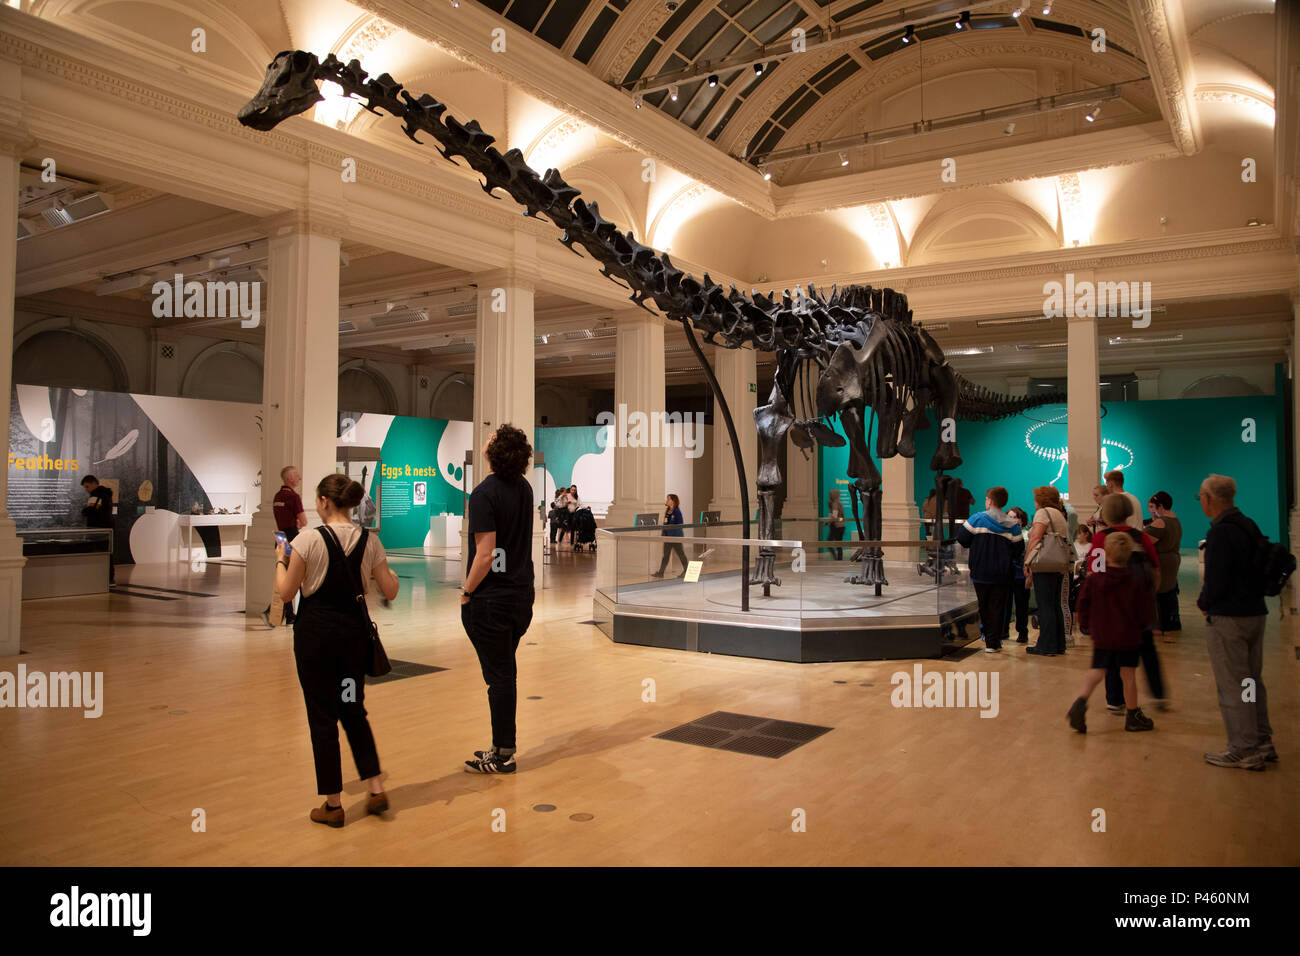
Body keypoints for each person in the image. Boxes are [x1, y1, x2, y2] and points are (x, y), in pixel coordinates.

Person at [274, 474, 400, 828]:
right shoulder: (369, 540)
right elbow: (389, 590)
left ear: (325, 502)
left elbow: (286, 593)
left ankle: (333, 804)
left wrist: (280, 561)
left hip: (316, 637)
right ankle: (375, 789)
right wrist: (392, 578)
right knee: (353, 710)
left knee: (322, 717)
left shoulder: (307, 539)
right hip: (353, 637)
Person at [461, 424, 537, 774]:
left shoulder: (483, 494)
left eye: (490, 439)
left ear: (495, 452)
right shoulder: (524, 489)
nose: (485, 440)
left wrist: (466, 591)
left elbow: (486, 554)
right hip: (521, 597)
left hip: (492, 600)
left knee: (500, 677)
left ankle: (504, 752)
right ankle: (500, 745)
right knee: (505, 672)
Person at [1197, 474, 1275, 771]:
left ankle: (1243, 748)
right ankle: (1261, 740)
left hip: (1229, 617)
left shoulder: (1219, 532)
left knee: (1234, 684)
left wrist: (1205, 604)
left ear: (1210, 499)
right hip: (1255, 612)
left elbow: (1217, 577)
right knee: (1252, 681)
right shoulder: (1248, 524)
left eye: (1201, 497)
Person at [1067, 533, 1156, 734]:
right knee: (1128, 675)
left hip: (1103, 635)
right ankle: (1133, 715)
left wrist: (1086, 624)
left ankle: (1080, 703)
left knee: (1098, 670)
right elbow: (1143, 611)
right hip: (1128, 637)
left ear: (1105, 554)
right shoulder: (1136, 582)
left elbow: (1083, 604)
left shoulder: (1095, 580)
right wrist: (1141, 627)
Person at [1089, 494, 1167, 713]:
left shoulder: (1100, 539)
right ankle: (1158, 692)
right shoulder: (1141, 538)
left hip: (1111, 607)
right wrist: (1150, 595)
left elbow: (1094, 573)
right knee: (1147, 649)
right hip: (1138, 605)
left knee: (1112, 651)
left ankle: (1114, 699)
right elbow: (1155, 569)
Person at [956, 486, 1023, 653]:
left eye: (986, 499)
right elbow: (1018, 548)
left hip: (980, 571)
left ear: (990, 501)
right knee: (998, 606)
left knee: (983, 605)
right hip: (1002, 574)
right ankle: (994, 641)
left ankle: (986, 635)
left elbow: (962, 539)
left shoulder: (977, 519)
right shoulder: (1013, 525)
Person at [1025, 485, 1070, 656]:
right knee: (1054, 604)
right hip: (1058, 564)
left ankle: (1046, 645)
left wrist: (1027, 561)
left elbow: (1036, 537)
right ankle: (1059, 644)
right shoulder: (1059, 513)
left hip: (1044, 564)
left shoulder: (1043, 513)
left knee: (1045, 606)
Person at [263, 465, 308, 628]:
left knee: (287, 575)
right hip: (292, 539)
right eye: (297, 476)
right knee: (293, 577)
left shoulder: (277, 496)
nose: (299, 478)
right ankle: (273, 611)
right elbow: (304, 521)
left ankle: (289, 615)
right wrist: (298, 522)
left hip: (280, 538)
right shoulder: (294, 497)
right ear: (289, 478)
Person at [1144, 491, 1182, 643]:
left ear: (1160, 506)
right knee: (1169, 591)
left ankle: (1161, 626)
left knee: (1160, 593)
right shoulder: (1176, 520)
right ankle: (1169, 624)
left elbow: (1145, 540)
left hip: (1162, 561)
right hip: (1173, 559)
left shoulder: (1161, 522)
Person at [1003, 506, 1031, 644]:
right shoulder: (1004, 535)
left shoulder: (1027, 535)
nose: (1013, 520)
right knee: (1005, 605)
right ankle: (1004, 630)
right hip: (1007, 575)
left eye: (1016, 517)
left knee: (1022, 606)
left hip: (1022, 575)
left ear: (1021, 519)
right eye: (1010, 517)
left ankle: (1022, 632)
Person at [80, 475, 114, 584]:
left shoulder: (96, 495)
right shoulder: (105, 495)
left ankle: (105, 577)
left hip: (99, 529)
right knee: (106, 553)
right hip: (105, 528)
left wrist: (84, 511)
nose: (86, 490)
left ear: (94, 483)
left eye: (87, 486)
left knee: (101, 553)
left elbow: (91, 510)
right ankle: (108, 578)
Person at [652, 493, 688, 577]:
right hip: (668, 537)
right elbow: (665, 524)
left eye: (668, 499)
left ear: (673, 501)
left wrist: (671, 529)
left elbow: (680, 523)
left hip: (675, 537)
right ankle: (661, 573)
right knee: (666, 556)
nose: (667, 501)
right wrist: (664, 534)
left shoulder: (677, 511)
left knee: (681, 554)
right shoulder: (668, 511)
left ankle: (687, 571)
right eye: (667, 499)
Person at [827, 488, 846, 560]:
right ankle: (839, 558)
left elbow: (834, 516)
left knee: (830, 542)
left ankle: (837, 558)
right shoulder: (839, 503)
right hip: (841, 526)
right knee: (839, 544)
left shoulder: (835, 504)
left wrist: (828, 522)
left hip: (836, 526)